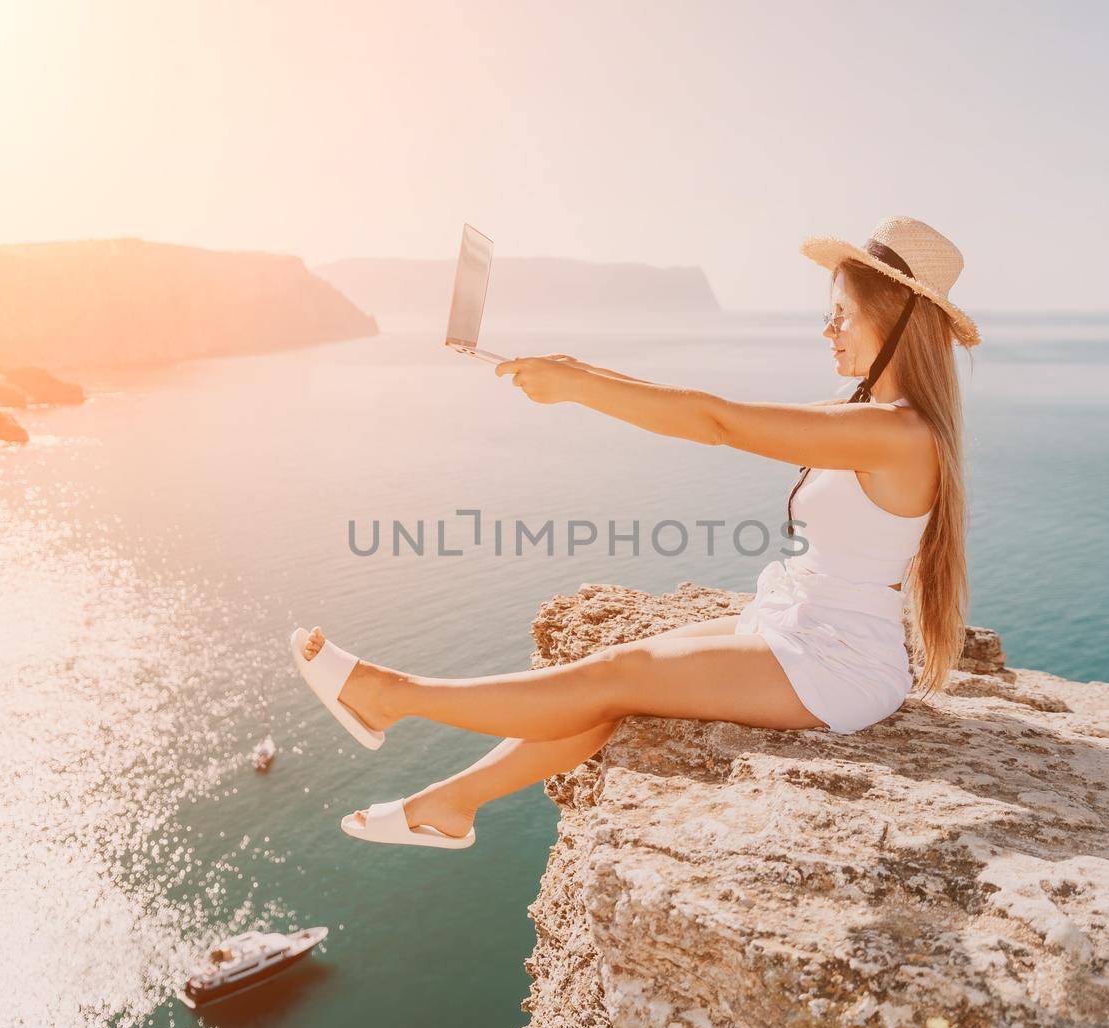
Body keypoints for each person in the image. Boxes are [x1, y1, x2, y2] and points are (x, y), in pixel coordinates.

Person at [293, 216, 980, 849]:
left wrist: (577, 387)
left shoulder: (894, 433)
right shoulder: (871, 418)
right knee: (612, 678)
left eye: (842, 317)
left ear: (892, 321)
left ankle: (391, 696)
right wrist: (577, 372)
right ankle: (452, 806)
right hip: (794, 622)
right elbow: (716, 412)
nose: (828, 332)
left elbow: (718, 422)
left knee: (617, 676)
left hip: (837, 665)